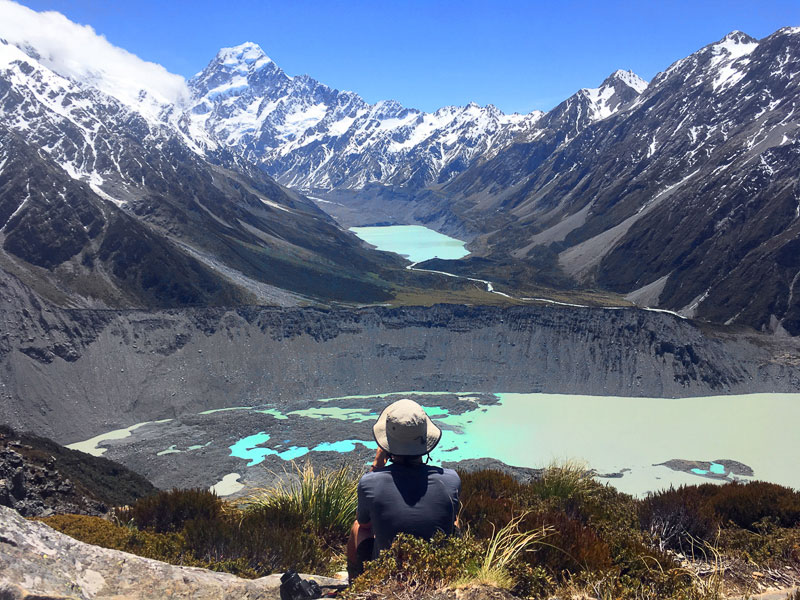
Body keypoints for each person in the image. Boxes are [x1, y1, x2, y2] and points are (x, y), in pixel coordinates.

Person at [346, 398, 461, 580]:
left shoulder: (370, 483)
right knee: (454, 521)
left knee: (358, 526)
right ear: (425, 440)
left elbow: (366, 525)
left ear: (387, 444)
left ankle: (356, 583)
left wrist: (377, 464)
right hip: (436, 576)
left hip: (387, 577)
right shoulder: (451, 479)